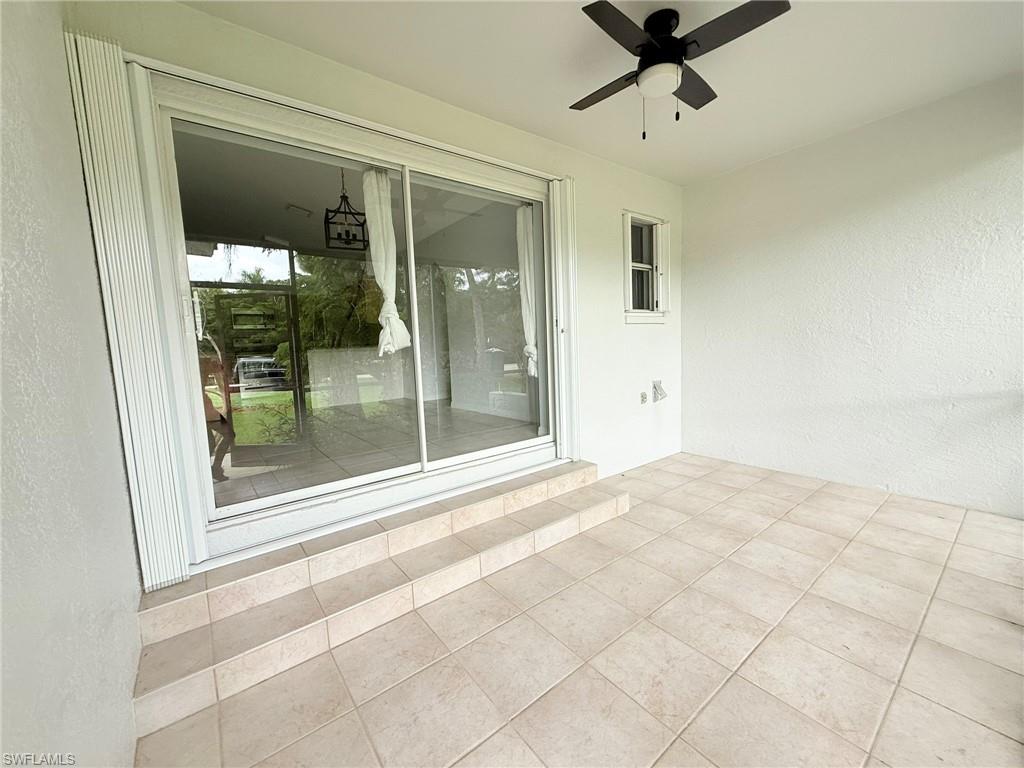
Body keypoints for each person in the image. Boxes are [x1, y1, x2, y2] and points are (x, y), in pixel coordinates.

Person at [200, 356, 235, 482]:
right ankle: (211, 470)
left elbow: (218, 369)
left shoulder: (201, 367)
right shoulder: (201, 365)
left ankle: (212, 469)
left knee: (212, 441)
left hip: (205, 409)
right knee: (226, 435)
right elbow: (217, 367)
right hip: (205, 411)